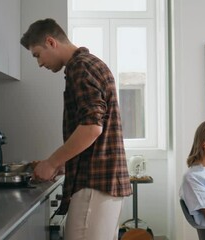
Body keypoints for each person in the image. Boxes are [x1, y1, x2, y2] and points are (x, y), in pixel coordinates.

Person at [20, 18, 132, 240]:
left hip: (95, 184)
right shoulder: (89, 64)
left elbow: (92, 127)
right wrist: (62, 163)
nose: (39, 63)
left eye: (37, 55)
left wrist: (52, 162)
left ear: (51, 42)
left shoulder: (80, 67)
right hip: (102, 183)